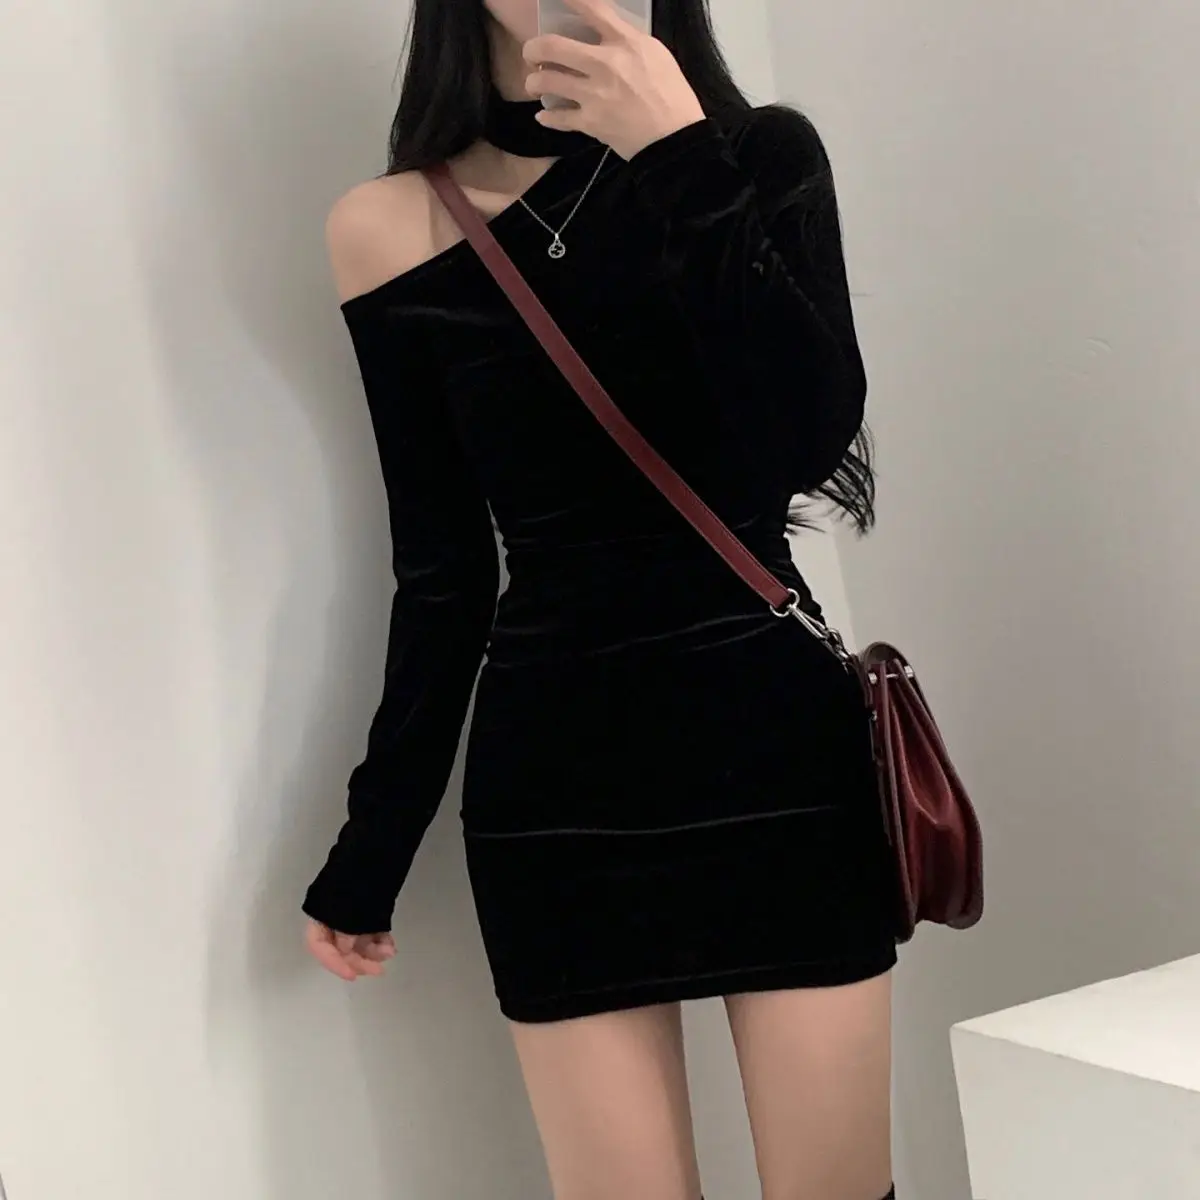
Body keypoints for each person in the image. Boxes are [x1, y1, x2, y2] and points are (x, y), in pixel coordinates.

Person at [302, 0, 897, 1196]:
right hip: (558, 790)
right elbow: (442, 570)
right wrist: (375, 842)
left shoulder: (756, 157)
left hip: (777, 756)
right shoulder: (389, 224)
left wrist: (675, 154)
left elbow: (805, 436)